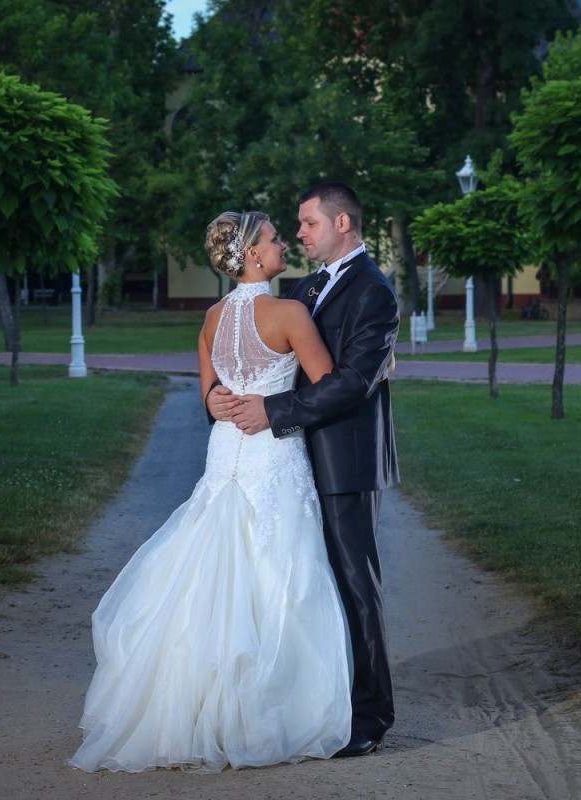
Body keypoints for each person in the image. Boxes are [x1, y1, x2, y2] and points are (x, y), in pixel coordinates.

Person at [69, 210, 353, 773]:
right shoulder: (289, 313)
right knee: (280, 574)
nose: (283, 245)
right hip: (272, 453)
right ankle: (274, 709)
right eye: (274, 238)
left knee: (209, 571)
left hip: (225, 452)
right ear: (252, 254)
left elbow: (211, 395)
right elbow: (326, 389)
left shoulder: (211, 318)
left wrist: (217, 401)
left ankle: (195, 707)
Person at [209, 182, 399, 758]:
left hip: (343, 459)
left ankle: (370, 717)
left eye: (309, 224)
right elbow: (257, 349)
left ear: (342, 224)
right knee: (294, 585)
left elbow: (351, 382)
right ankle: (310, 700)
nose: (298, 234)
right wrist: (215, 396)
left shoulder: (375, 292)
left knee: (354, 584)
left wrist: (273, 411)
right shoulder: (307, 287)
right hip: (286, 459)